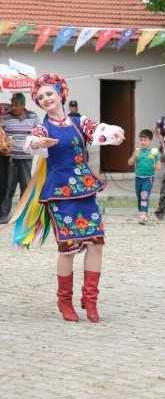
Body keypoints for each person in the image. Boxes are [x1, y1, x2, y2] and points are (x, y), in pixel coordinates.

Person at [10, 74, 125, 322]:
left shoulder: (78, 121)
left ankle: (91, 300)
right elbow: (30, 143)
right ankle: (65, 302)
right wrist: (38, 141)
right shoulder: (43, 127)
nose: (45, 99)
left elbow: (99, 131)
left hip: (85, 189)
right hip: (60, 193)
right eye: (40, 97)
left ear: (61, 93)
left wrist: (114, 132)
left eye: (49, 94)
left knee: (96, 243)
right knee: (68, 248)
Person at [0, 93, 37, 223]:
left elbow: (37, 133)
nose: (13, 107)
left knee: (26, 185)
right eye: (12, 104)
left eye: (16, 105)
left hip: (26, 158)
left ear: (22, 106)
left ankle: (24, 213)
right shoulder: (6, 117)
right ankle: (3, 215)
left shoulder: (33, 116)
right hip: (9, 158)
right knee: (8, 186)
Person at [127, 129, 160, 224]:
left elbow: (158, 165)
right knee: (139, 196)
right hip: (138, 178)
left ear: (150, 140)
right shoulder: (137, 151)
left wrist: (157, 165)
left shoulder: (154, 152)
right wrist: (134, 157)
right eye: (141, 140)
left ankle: (143, 215)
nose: (143, 142)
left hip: (148, 178)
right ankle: (142, 212)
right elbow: (129, 163)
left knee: (144, 195)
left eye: (145, 140)